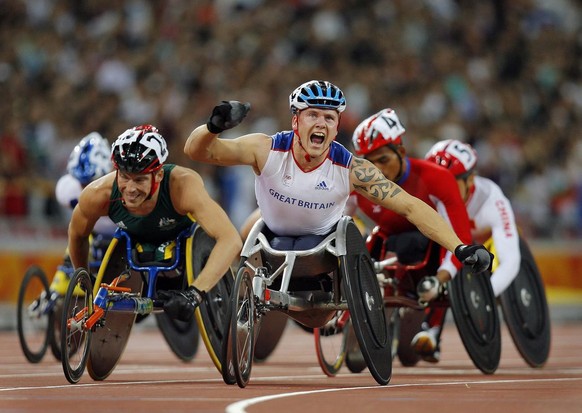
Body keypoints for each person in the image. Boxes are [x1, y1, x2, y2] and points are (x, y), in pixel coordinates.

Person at [183, 80, 491, 305]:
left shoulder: (354, 168)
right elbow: (197, 152)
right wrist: (212, 127)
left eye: (329, 118)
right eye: (312, 114)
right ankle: (225, 298)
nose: (321, 123)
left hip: (324, 252)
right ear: (296, 120)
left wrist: (460, 248)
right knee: (246, 230)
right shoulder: (264, 148)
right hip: (270, 236)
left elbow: (412, 207)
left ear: (336, 126)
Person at [67, 124, 242, 321]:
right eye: (124, 177)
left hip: (183, 245)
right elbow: (77, 234)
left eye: (140, 180)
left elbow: (230, 239)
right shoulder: (97, 194)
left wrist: (195, 294)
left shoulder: (183, 185)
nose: (130, 189)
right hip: (137, 248)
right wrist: (83, 276)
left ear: (159, 174)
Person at [349, 108, 474, 362]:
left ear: (402, 152)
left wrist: (441, 278)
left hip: (430, 245)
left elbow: (459, 238)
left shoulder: (436, 178)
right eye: (368, 163)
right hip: (391, 240)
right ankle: (353, 317)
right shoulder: (356, 181)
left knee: (437, 242)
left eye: (383, 160)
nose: (376, 171)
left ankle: (433, 328)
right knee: (371, 238)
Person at [425, 139, 521, 297]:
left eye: (449, 182)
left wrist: (484, 296)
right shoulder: (430, 197)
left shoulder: (492, 199)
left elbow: (510, 262)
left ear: (470, 179)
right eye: (436, 181)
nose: (441, 189)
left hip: (487, 244)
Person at [51, 132, 117, 296]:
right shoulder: (67, 190)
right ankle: (55, 289)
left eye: (90, 182)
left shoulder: (125, 186)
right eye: (81, 182)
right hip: (92, 232)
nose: (86, 188)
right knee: (79, 231)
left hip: (122, 235)